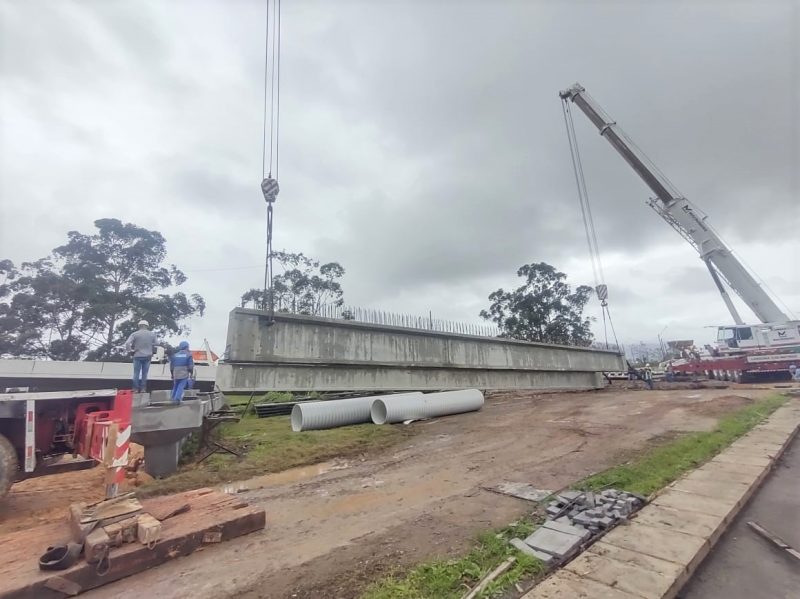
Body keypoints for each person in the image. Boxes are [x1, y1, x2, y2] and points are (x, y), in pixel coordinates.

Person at [125, 320, 160, 393]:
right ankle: (143, 389)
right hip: (148, 356)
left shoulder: (134, 334)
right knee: (144, 373)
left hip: (137, 355)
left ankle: (135, 389)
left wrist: (130, 350)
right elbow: (157, 343)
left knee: (136, 373)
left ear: (139, 326)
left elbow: (127, 343)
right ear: (147, 326)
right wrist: (150, 344)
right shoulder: (152, 334)